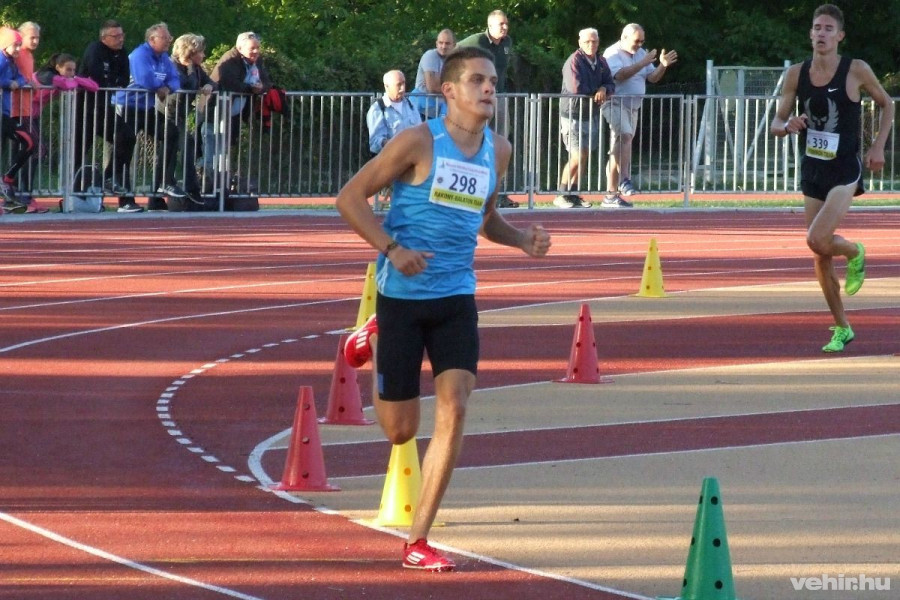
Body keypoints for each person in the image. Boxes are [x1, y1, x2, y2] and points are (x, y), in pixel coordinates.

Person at [336, 46, 551, 572]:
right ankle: (374, 336)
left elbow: (486, 219)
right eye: (477, 80)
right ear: (448, 91)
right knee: (400, 431)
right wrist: (392, 249)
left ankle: (418, 540)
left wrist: (521, 239)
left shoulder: (499, 150)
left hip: (456, 296)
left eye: (493, 81)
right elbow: (350, 198)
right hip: (402, 297)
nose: (489, 88)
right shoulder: (417, 141)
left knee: (454, 406)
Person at [770, 3, 893, 353]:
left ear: (840, 36)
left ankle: (855, 251)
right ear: (810, 34)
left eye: (828, 29)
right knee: (819, 252)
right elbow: (776, 123)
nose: (821, 33)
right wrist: (788, 125)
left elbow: (888, 104)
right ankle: (842, 327)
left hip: (844, 170)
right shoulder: (796, 74)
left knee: (817, 237)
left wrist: (878, 147)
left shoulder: (856, 69)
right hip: (813, 170)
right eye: (817, 28)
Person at [601, 24, 677, 207]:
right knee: (625, 136)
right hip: (615, 103)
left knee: (620, 145)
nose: (640, 45)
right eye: (636, 41)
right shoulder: (613, 53)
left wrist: (663, 66)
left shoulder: (641, 53)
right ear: (624, 37)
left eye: (642, 41)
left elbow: (652, 78)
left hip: (633, 107)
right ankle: (624, 179)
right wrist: (643, 63)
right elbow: (620, 75)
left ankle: (611, 194)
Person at [114, 22, 186, 211]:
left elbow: (175, 79)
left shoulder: (164, 58)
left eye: (170, 37)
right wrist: (159, 87)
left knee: (171, 132)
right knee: (126, 148)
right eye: (165, 37)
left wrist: (167, 87)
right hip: (127, 105)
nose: (169, 40)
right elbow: (144, 79)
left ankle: (163, 182)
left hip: (147, 107)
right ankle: (125, 200)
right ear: (152, 39)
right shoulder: (140, 54)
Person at [76, 19, 140, 212]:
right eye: (116, 36)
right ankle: (73, 196)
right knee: (79, 150)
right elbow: (97, 77)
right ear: (104, 37)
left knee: (127, 136)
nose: (120, 39)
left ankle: (110, 177)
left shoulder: (122, 53)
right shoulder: (95, 49)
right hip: (84, 107)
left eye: (122, 35)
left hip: (104, 106)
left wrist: (109, 81)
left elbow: (123, 80)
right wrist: (109, 81)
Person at [458, 10, 518, 208]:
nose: (505, 27)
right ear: (490, 26)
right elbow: (455, 50)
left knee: (500, 142)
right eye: (501, 24)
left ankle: (498, 193)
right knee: (476, 140)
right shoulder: (478, 41)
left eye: (506, 23)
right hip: (480, 98)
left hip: (499, 97)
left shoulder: (507, 42)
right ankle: (471, 190)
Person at [201, 31, 272, 191]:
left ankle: (221, 189)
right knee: (211, 150)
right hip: (214, 113)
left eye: (258, 48)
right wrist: (251, 89)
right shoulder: (229, 59)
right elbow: (230, 83)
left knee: (225, 151)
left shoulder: (257, 60)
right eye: (252, 48)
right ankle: (207, 187)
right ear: (240, 48)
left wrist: (261, 88)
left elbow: (267, 81)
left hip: (234, 115)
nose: (256, 51)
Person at [553, 28, 614, 209]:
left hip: (591, 114)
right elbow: (576, 88)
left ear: (598, 42)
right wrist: (598, 91)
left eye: (594, 41)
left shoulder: (601, 61)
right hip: (572, 115)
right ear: (580, 42)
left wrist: (604, 89)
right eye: (587, 41)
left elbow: (610, 82)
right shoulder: (574, 61)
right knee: (577, 155)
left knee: (584, 155)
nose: (591, 45)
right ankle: (561, 194)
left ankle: (573, 193)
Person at [161, 33, 215, 209]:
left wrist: (209, 85)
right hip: (166, 115)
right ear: (190, 52)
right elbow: (181, 85)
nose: (203, 55)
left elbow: (211, 82)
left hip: (181, 116)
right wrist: (191, 69)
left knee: (186, 146)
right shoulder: (171, 65)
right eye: (200, 52)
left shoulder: (197, 69)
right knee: (172, 149)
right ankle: (168, 188)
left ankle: (190, 190)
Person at [10, 21, 45, 210]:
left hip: (26, 109)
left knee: (29, 148)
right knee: (35, 147)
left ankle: (17, 193)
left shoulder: (29, 56)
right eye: (32, 37)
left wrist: (32, 84)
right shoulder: (16, 54)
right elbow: (9, 75)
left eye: (37, 38)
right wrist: (25, 82)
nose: (35, 41)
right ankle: (21, 192)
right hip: (14, 110)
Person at [0, 27, 34, 214]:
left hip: (5, 114)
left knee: (30, 142)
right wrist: (7, 83)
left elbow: (20, 78)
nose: (19, 49)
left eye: (20, 45)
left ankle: (7, 181)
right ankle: (6, 190)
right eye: (16, 45)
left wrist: (16, 83)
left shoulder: (11, 62)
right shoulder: (1, 59)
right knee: (29, 142)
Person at [366, 70, 421, 155]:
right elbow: (375, 143)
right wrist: (397, 145)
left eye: (404, 83)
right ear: (387, 86)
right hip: (391, 158)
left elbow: (420, 131)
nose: (403, 88)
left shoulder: (411, 105)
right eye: (398, 85)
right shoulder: (378, 109)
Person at [411, 29, 456, 119]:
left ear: (454, 45)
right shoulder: (431, 55)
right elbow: (432, 87)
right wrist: (457, 91)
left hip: (437, 109)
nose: (443, 46)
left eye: (447, 43)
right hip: (421, 109)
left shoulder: (454, 61)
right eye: (441, 43)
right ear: (436, 44)